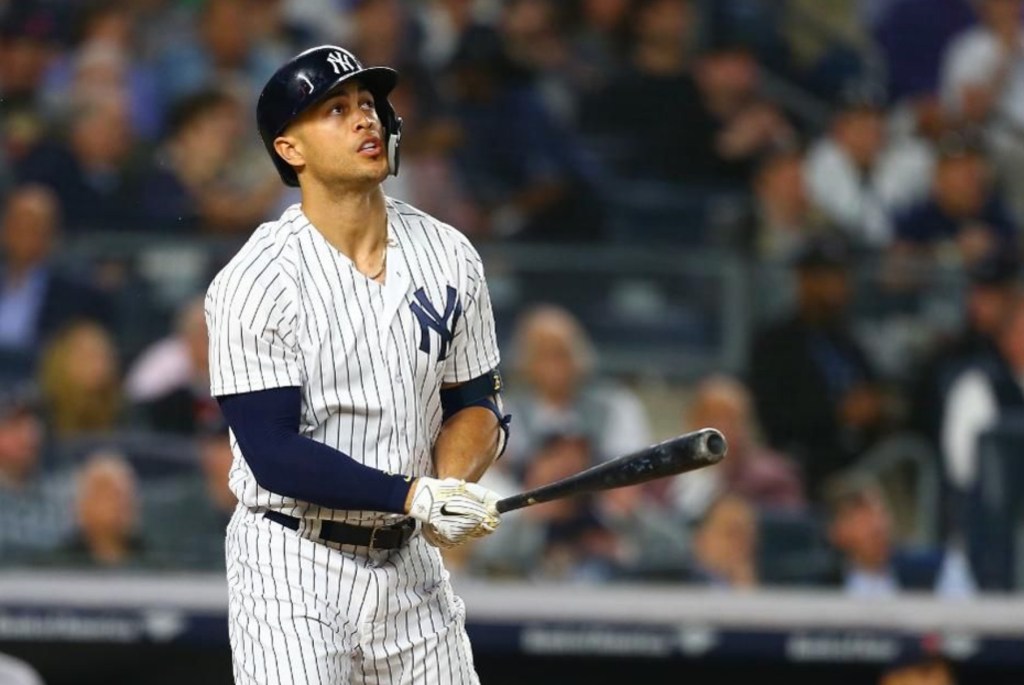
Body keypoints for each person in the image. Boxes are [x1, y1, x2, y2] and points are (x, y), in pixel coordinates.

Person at [205, 45, 510, 684]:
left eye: (368, 104)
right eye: (336, 110)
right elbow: (272, 453)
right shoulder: (256, 280)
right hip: (293, 563)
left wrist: (451, 487)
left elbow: (477, 403)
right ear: (290, 149)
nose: (365, 118)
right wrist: (415, 494)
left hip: (410, 567)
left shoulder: (450, 253)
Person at [823, 471, 975, 598]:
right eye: (861, 520)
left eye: (879, 512)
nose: (876, 526)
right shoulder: (821, 588)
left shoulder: (937, 569)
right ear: (836, 532)